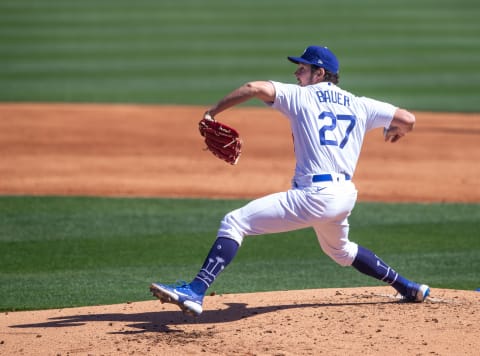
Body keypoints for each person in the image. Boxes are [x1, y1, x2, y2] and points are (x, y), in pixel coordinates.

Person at [150, 45, 430, 316]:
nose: (297, 74)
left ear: (319, 73)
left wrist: (211, 112)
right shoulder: (361, 105)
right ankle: (408, 287)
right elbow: (408, 118)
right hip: (344, 195)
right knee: (341, 251)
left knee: (235, 222)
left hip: (314, 195)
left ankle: (196, 291)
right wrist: (397, 130)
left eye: (302, 68)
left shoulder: (300, 96)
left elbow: (253, 88)